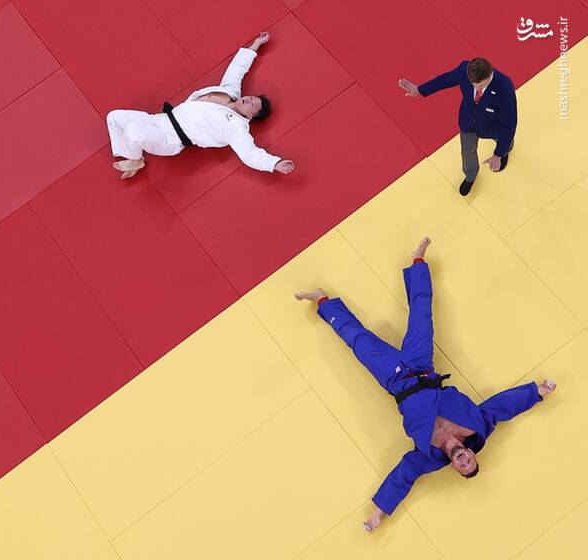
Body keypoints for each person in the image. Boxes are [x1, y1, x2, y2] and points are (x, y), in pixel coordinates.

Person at [294, 237, 556, 533]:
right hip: (422, 365)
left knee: (357, 339)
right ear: (472, 454)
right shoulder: (477, 426)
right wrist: (536, 393)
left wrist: (379, 512)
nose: (465, 460)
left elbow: (403, 476)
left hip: (394, 378)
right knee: (422, 312)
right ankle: (418, 260)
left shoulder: (428, 458)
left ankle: (322, 300)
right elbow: (501, 407)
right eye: (470, 461)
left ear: (455, 467)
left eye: (463, 466)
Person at [106, 32, 295, 179]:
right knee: (114, 117)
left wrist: (274, 164)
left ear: (251, 116)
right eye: (251, 97)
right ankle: (129, 153)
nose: (248, 99)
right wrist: (256, 45)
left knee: (134, 131)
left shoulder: (237, 128)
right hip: (159, 120)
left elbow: (250, 153)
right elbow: (236, 70)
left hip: (171, 139)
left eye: (253, 104)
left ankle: (135, 159)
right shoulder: (229, 92)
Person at [398, 58, 517, 196]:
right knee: (467, 152)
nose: (477, 89)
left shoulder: (505, 87)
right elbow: (444, 80)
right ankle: (470, 176)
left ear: (490, 74)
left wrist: (498, 154)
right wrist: (420, 90)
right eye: (474, 85)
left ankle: (506, 150)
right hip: (468, 122)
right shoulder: (464, 71)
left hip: (493, 124)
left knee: (504, 140)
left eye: (482, 85)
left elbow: (510, 123)